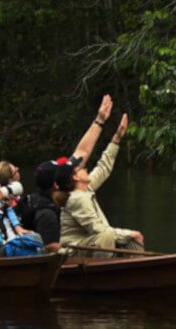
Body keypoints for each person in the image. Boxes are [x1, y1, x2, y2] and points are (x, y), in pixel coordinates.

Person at [18, 95, 115, 245]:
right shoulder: (46, 212)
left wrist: (99, 120)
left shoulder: (64, 184)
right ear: (57, 184)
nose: (71, 170)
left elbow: (81, 152)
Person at [54, 113, 145, 257]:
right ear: (76, 177)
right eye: (80, 168)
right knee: (108, 235)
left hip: (88, 246)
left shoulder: (84, 189)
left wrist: (116, 139)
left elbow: (103, 168)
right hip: (72, 256)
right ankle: (110, 272)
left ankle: (138, 272)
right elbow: (98, 230)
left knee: (129, 240)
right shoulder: (77, 199)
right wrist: (130, 234)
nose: (84, 168)